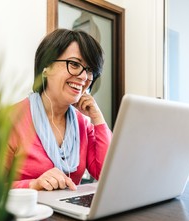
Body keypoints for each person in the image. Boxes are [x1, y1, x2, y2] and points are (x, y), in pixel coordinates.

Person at [6, 28, 112, 191]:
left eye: (89, 69)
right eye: (74, 64)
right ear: (46, 67)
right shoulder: (10, 119)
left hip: (69, 214)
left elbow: (107, 174)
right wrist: (33, 184)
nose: (84, 77)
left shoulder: (82, 123)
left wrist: (98, 119)